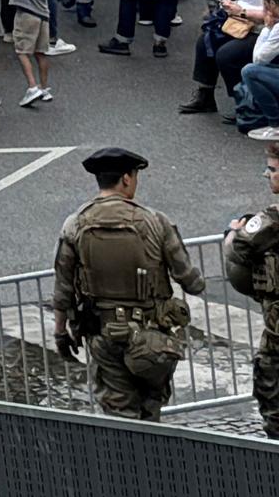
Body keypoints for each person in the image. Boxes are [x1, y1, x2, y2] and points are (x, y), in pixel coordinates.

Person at [51, 145, 207, 421]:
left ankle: (126, 461)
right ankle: (152, 460)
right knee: (150, 408)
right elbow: (190, 280)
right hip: (150, 336)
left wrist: (60, 332)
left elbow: (63, 287)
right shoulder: (155, 221)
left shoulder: (74, 224)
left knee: (119, 413)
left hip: (102, 334)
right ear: (126, 178)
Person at [219, 137, 279, 439]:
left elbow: (238, 249)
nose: (267, 174)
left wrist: (234, 231)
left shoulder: (273, 217)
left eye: (272, 168)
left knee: (272, 390)